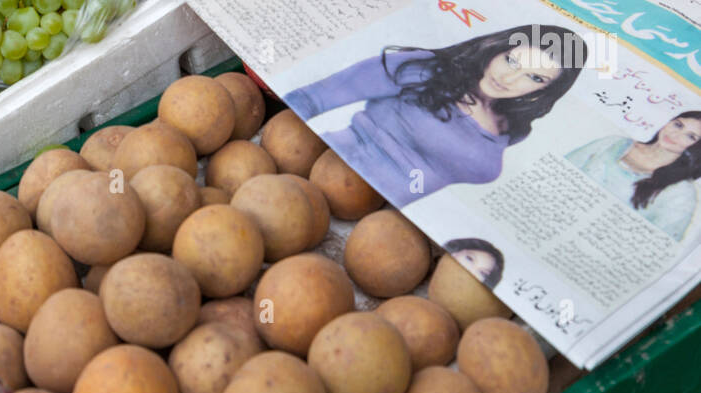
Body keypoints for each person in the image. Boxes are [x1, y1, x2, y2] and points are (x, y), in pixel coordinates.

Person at [286, 24, 586, 205]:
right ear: (495, 48)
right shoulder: (427, 68)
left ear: (546, 90)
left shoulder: (514, 127)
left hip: (390, 229)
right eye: (511, 60)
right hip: (309, 185)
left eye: (534, 78)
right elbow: (311, 98)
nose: (509, 79)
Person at [566, 113, 701, 242]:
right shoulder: (613, 143)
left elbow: (659, 243)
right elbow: (564, 171)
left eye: (690, 136)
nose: (675, 135)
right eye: (678, 125)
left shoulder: (681, 193)